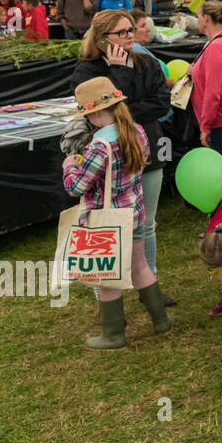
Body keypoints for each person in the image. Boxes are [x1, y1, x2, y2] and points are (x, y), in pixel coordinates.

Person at [62, 76, 173, 349]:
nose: (88, 120)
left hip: (106, 222)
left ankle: (113, 334)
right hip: (132, 214)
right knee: (140, 267)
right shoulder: (136, 131)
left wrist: (68, 165)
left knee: (107, 277)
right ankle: (161, 320)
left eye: (88, 115)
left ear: (99, 112)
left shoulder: (100, 146)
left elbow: (76, 186)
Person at [73, 9, 175, 303]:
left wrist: (120, 112)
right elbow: (96, 111)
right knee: (103, 225)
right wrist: (119, 73)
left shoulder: (148, 63)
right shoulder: (87, 72)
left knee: (146, 224)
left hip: (147, 155)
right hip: (106, 163)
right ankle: (104, 294)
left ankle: (149, 288)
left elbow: (160, 104)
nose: (130, 36)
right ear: (103, 38)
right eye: (122, 32)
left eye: (131, 30)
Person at [189, 1, 222, 191]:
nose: (197, 20)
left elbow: (213, 94)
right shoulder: (218, 42)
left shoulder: (216, 47)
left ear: (205, 18)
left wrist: (205, 126)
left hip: (219, 121)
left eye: (198, 16)